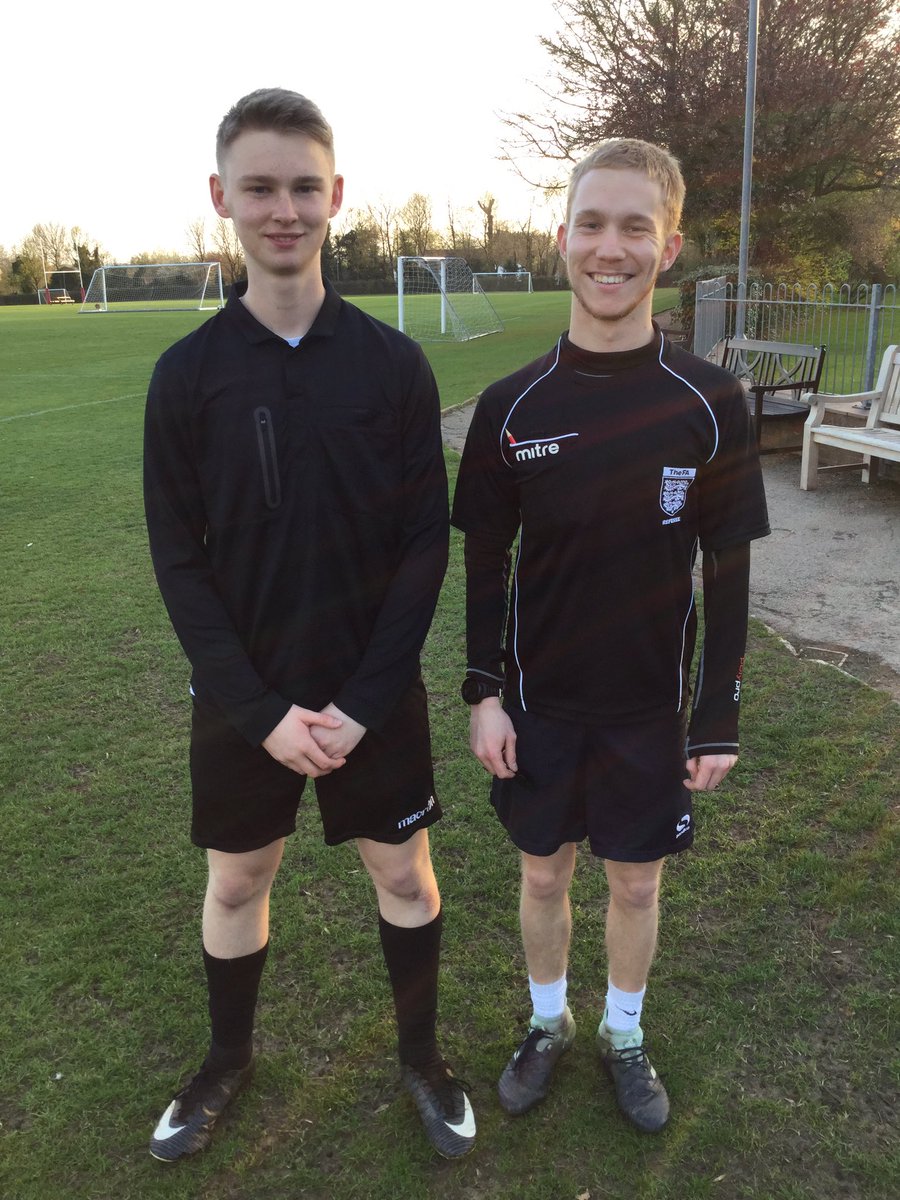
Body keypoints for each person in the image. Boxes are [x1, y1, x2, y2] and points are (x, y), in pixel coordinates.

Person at [143, 87, 475, 1162]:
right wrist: (256, 706)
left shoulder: (391, 365)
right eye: (259, 188)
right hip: (246, 699)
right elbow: (179, 560)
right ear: (221, 198)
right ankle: (226, 1062)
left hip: (368, 691)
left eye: (301, 187)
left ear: (334, 195)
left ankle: (422, 1060)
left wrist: (365, 698)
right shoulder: (185, 376)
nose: (282, 209)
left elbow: (426, 542)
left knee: (404, 875)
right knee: (236, 881)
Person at [451, 139, 769, 1133]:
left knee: (636, 881)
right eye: (593, 223)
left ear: (667, 247)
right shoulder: (510, 409)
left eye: (636, 227)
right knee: (543, 870)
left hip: (647, 709)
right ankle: (548, 1022)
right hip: (541, 706)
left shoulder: (709, 402)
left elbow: (728, 573)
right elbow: (487, 567)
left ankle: (623, 1034)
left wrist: (712, 714)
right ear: (563, 239)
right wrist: (483, 690)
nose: (611, 247)